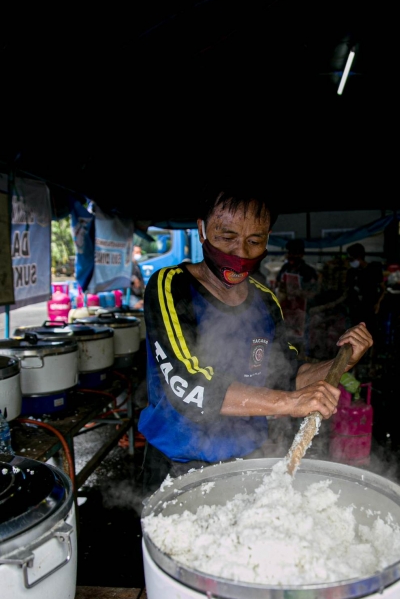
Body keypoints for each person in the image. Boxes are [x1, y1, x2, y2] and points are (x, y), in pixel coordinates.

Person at [139, 186, 373, 494]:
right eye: (227, 237)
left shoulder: (265, 301)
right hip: (179, 464)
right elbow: (188, 384)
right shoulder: (171, 287)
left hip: (248, 460)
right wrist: (289, 403)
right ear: (202, 230)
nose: (241, 253)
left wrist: (341, 363)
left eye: (255, 241)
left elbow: (286, 374)